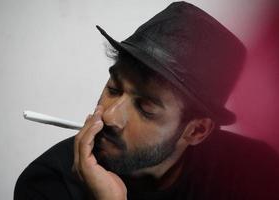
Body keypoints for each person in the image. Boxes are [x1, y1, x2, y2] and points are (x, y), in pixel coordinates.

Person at [14, 2, 279, 200]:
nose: (109, 116)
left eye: (145, 108)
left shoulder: (257, 172)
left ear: (196, 130)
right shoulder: (49, 183)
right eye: (114, 89)